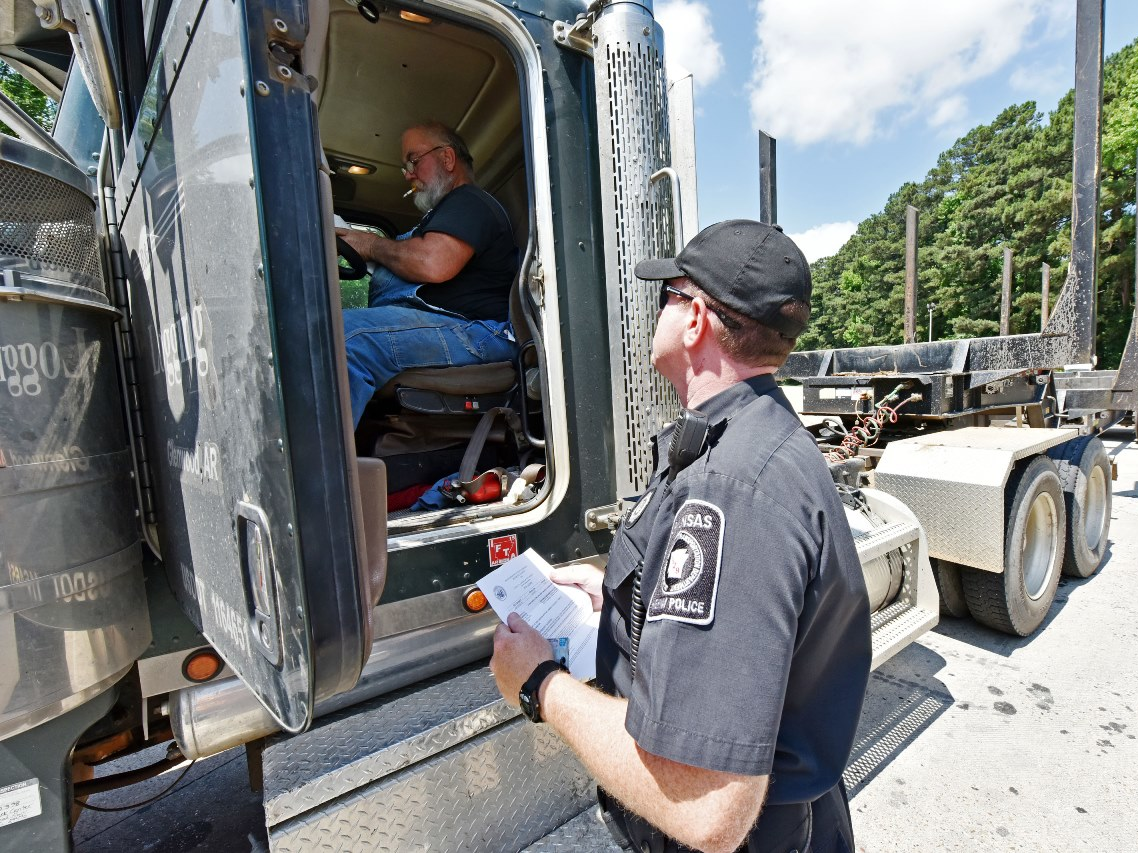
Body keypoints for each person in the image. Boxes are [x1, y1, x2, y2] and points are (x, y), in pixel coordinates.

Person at [490, 220, 872, 852]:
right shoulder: (751, 437)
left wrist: (539, 685)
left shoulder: (734, 487)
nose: (657, 310)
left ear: (694, 319)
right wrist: (616, 598)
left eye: (666, 295)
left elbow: (708, 805)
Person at [335, 121, 519, 423]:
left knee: (344, 337)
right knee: (331, 327)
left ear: (447, 158)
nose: (408, 173)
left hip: (481, 332)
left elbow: (433, 263)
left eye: (413, 160)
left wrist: (371, 244)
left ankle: (320, 467)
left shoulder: (469, 200)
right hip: (454, 325)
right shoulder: (439, 216)